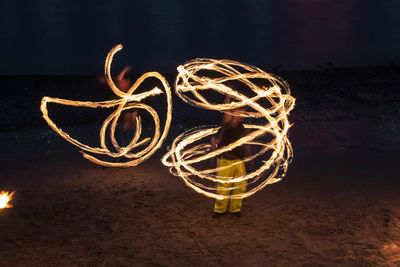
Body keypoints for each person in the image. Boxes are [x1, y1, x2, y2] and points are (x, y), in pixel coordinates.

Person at [211, 103, 252, 218]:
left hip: (239, 160)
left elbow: (246, 143)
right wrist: (215, 155)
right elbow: (213, 141)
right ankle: (219, 210)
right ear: (232, 114)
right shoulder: (225, 127)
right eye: (240, 113)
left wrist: (249, 156)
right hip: (225, 161)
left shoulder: (243, 128)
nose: (242, 116)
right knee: (223, 188)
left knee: (240, 187)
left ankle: (235, 209)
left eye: (243, 113)